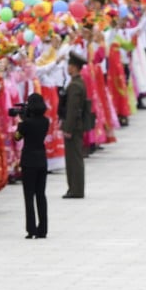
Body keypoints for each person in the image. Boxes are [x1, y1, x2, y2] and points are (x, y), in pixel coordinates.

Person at [15, 94, 49, 238]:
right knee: (41, 195)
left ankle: (31, 229)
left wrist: (20, 122)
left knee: (29, 196)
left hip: (29, 160)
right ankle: (43, 229)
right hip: (42, 159)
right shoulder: (46, 121)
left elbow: (17, 137)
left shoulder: (26, 124)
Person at [61, 52, 88, 199]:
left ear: (74, 67)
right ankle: (74, 188)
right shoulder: (77, 83)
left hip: (74, 127)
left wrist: (68, 128)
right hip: (77, 126)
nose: (68, 68)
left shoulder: (75, 86)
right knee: (74, 158)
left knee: (74, 159)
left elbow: (72, 110)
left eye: (69, 66)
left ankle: (76, 189)